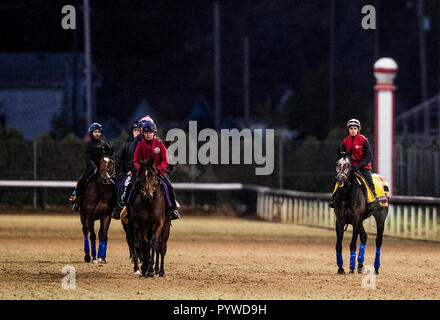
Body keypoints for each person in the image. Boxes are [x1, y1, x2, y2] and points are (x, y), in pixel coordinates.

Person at [130, 121, 180, 220]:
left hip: (158, 173)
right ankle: (127, 208)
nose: (148, 134)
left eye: (150, 132)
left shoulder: (160, 144)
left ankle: (173, 209)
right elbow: (135, 160)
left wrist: (158, 169)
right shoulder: (140, 145)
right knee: (131, 186)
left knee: (169, 186)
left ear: (154, 133)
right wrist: (140, 169)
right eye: (146, 132)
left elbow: (165, 160)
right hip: (143, 173)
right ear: (143, 134)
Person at [329, 119, 376, 208]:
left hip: (364, 167)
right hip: (349, 168)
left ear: (358, 130)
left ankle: (372, 202)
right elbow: (341, 156)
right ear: (348, 130)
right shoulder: (345, 141)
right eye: (351, 128)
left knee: (369, 181)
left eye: (355, 128)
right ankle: (334, 199)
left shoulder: (364, 140)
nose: (353, 130)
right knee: (337, 179)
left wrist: (360, 166)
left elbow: (368, 156)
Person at [69, 123, 114, 211]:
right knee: (82, 181)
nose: (97, 134)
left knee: (114, 183)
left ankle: (114, 205)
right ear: (91, 133)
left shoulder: (105, 144)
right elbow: (88, 159)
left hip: (104, 170)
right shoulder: (88, 145)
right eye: (95, 132)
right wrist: (94, 168)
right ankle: (77, 202)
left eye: (99, 132)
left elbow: (111, 156)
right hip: (91, 169)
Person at [111, 120, 142, 219]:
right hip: (126, 173)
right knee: (116, 185)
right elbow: (118, 159)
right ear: (132, 131)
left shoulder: (145, 144)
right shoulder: (125, 145)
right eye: (135, 130)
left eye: (139, 130)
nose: (137, 132)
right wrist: (118, 172)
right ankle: (117, 207)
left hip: (141, 172)